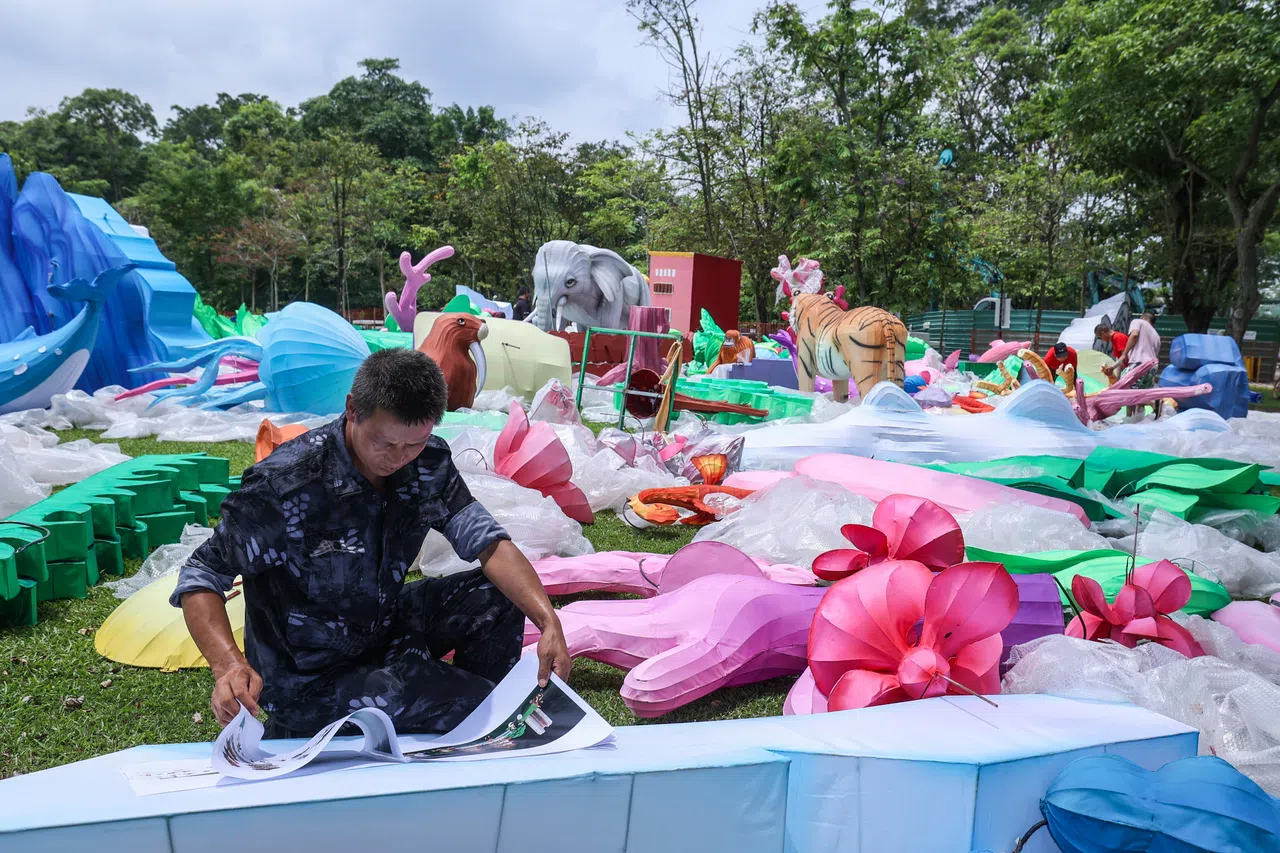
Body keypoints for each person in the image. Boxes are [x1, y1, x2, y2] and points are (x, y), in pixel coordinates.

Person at [171, 348, 571, 737]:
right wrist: (228, 666)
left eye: (413, 444)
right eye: (384, 442)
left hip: (384, 625)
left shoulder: (427, 463)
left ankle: (464, 729)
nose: (398, 458)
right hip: (309, 675)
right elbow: (201, 575)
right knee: (486, 706)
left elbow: (488, 543)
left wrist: (548, 621)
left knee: (498, 597)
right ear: (352, 409)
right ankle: (304, 726)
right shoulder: (285, 485)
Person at [1103, 310, 1162, 417]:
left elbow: (1134, 335)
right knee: (1141, 393)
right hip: (1152, 365)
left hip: (1139, 362)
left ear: (1142, 317)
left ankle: (1152, 403)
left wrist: (1125, 353)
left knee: (1127, 391)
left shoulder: (1138, 322)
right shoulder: (1157, 335)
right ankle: (1137, 419)